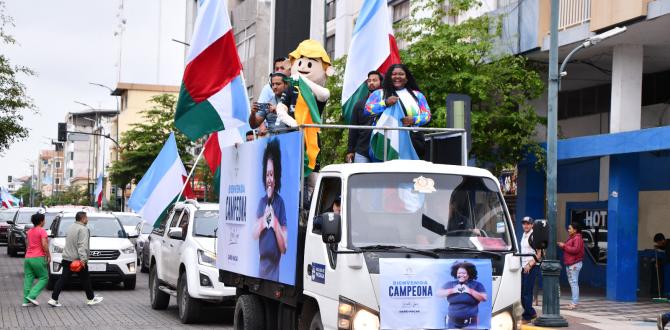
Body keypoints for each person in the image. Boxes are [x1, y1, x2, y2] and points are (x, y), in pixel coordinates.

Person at [364, 63, 432, 159]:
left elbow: (427, 115)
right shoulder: (378, 94)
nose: (397, 77)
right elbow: (367, 110)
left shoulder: (418, 95)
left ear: (407, 78)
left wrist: (414, 119)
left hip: (412, 141)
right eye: (394, 74)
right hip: (384, 141)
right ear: (389, 77)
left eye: (401, 74)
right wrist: (385, 103)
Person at [49, 211, 103, 307]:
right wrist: (83, 259)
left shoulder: (70, 227)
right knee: (85, 279)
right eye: (86, 217)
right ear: (82, 218)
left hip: (66, 258)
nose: (87, 219)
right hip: (77, 260)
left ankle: (54, 299)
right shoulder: (83, 229)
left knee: (63, 279)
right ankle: (90, 299)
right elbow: (82, 245)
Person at [253, 139, 288, 282]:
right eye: (267, 174)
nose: (269, 179)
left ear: (277, 177)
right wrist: (263, 220)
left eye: (272, 175)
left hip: (275, 270)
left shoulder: (280, 203)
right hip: (261, 268)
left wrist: (275, 223)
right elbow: (253, 234)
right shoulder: (261, 202)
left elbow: (284, 248)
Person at [437, 261, 488, 329]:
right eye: (459, 273)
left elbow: (484, 298)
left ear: (469, 274)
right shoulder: (450, 284)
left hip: (470, 323)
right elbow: (438, 293)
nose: (461, 275)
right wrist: (452, 290)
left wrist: (470, 291)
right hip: (452, 323)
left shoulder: (477, 285)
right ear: (455, 273)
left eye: (463, 273)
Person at [346, 71, 383, 163]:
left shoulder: (388, 103)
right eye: (369, 81)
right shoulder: (359, 104)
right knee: (360, 176)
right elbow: (353, 129)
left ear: (381, 82)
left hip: (381, 150)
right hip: (362, 150)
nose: (371, 83)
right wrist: (350, 151)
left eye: (375, 80)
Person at [22, 212, 50, 306]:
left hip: (28, 257)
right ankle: (32, 295)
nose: (44, 221)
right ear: (41, 221)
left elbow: (27, 244)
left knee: (28, 278)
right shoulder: (42, 230)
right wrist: (48, 255)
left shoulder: (29, 231)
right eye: (44, 220)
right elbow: (44, 244)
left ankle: (25, 301)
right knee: (44, 277)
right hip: (38, 257)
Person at [520, 216, 542, 323]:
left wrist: (530, 264)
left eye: (528, 223)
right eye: (524, 223)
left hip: (531, 267)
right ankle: (532, 312)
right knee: (522, 293)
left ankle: (527, 316)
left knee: (527, 293)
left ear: (532, 225)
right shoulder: (524, 235)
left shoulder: (534, 236)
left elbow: (539, 254)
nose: (526, 225)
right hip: (523, 267)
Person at [557, 222, 584, 310]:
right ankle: (574, 302)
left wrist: (564, 246)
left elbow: (575, 250)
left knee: (574, 283)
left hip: (574, 264)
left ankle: (574, 303)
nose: (568, 230)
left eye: (570, 228)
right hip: (571, 263)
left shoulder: (577, 238)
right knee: (573, 283)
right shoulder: (573, 238)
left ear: (575, 230)